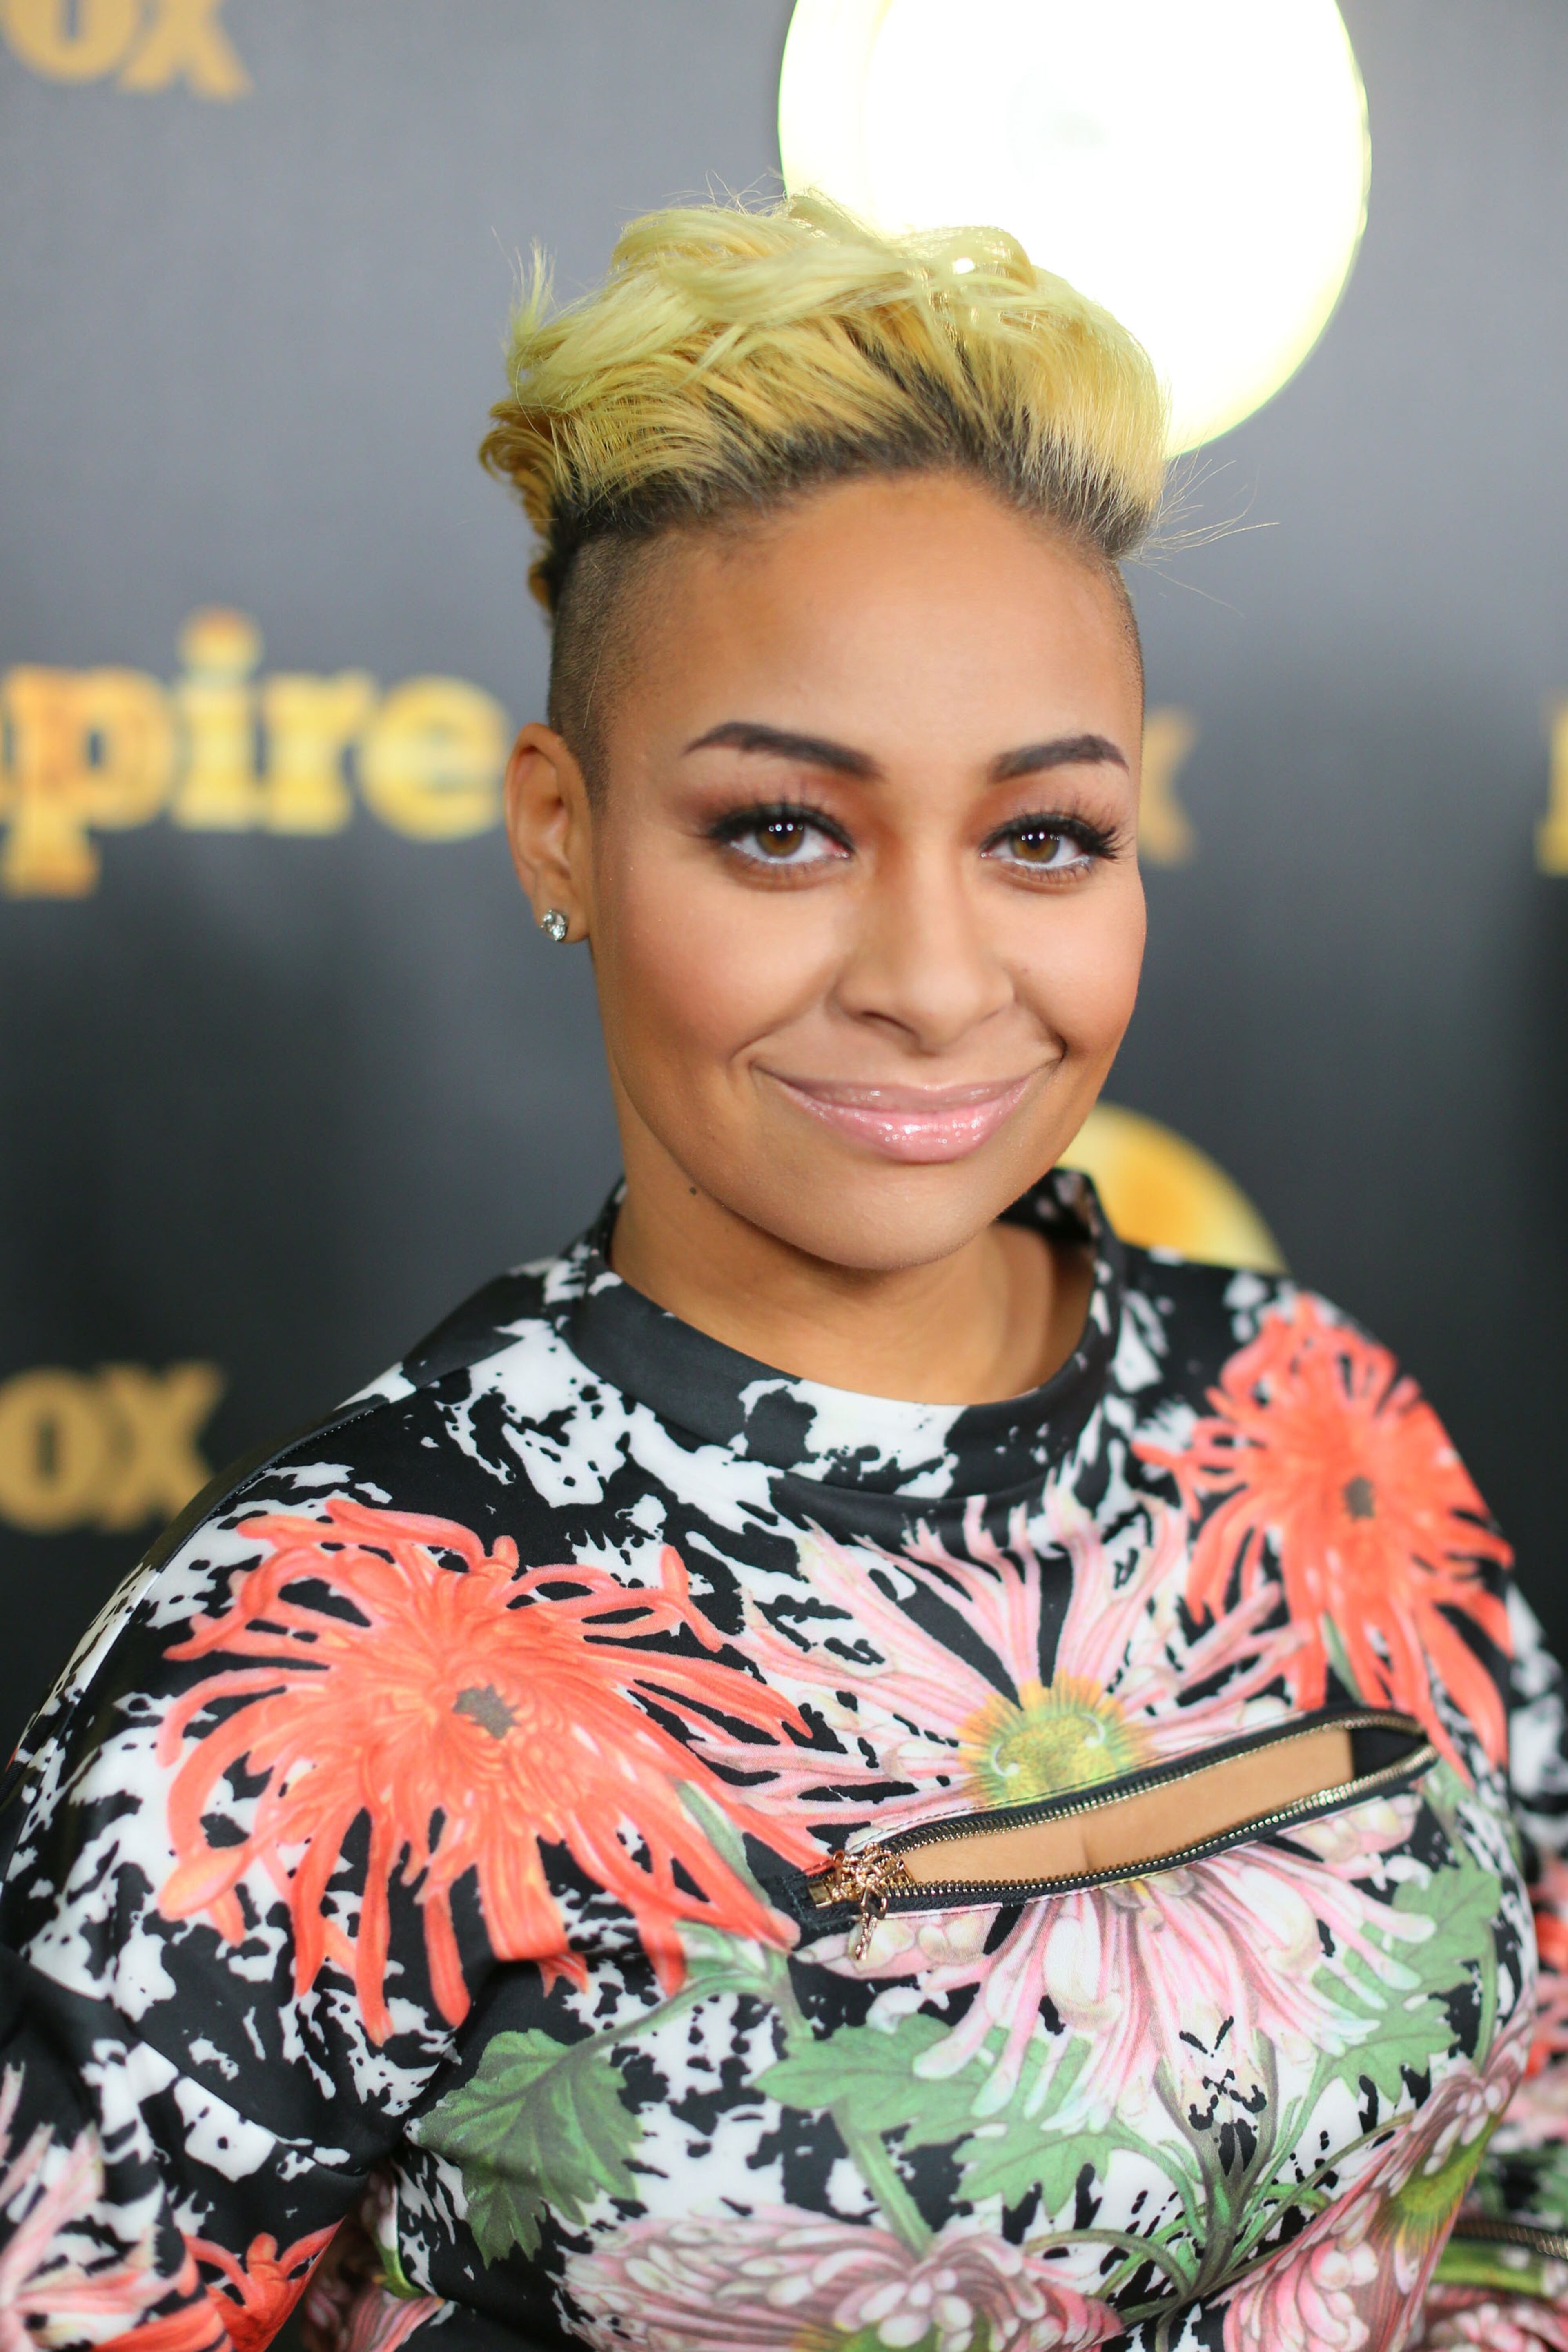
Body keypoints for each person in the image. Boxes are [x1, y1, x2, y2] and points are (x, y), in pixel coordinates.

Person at [1, 194, 1564, 2352]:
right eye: (784, 828)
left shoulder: (1316, 1413)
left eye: (1044, 836)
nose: (935, 983)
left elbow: (1538, 2133)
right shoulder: (284, 1688)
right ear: (563, 826)